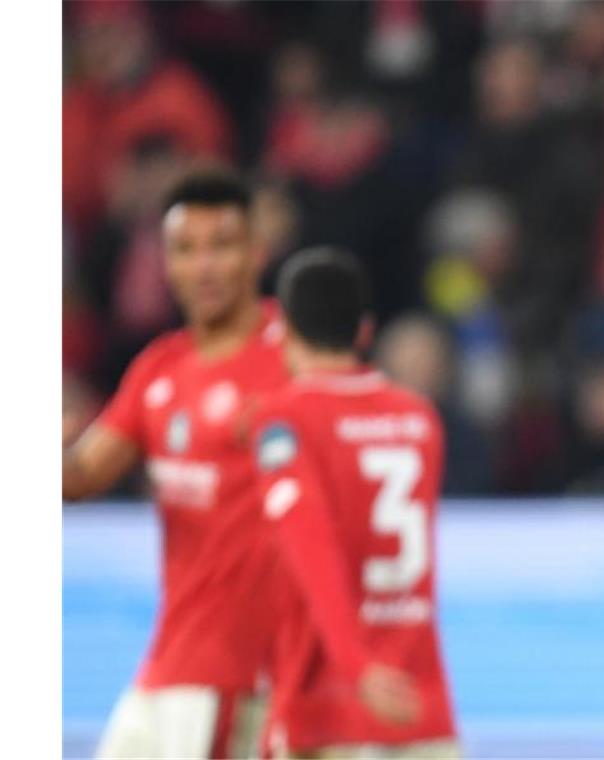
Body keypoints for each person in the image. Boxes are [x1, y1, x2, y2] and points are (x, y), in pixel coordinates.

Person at [63, 169, 289, 758]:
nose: (205, 266)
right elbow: (81, 476)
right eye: (186, 250)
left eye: (222, 245)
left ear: (256, 253)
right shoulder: (160, 368)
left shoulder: (293, 360)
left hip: (240, 673)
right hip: (170, 662)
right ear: (166, 264)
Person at [252, 247, 459, 759]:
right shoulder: (418, 418)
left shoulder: (284, 418)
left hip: (329, 706)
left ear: (285, 330)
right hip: (420, 705)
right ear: (365, 331)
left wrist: (355, 664)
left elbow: (309, 541)